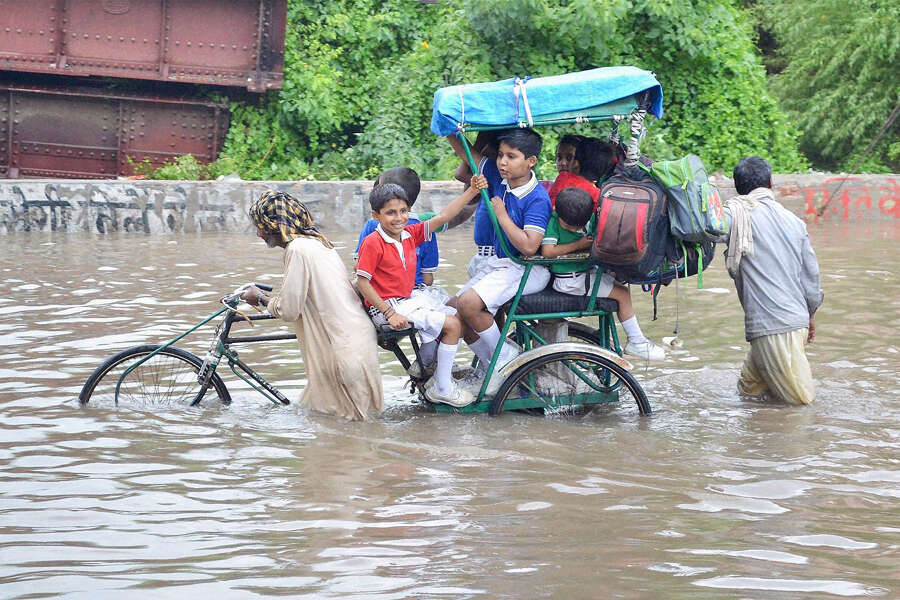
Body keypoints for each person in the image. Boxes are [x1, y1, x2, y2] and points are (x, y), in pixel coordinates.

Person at [240, 191, 383, 421]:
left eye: (261, 226)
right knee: (350, 431)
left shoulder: (297, 250)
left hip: (340, 350)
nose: (259, 233)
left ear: (275, 225)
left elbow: (289, 309)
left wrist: (261, 299)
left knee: (346, 437)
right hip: (356, 342)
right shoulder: (319, 243)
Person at [356, 176, 489, 408]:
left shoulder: (409, 233)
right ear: (376, 216)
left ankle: (426, 364)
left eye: (403, 211)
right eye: (391, 213)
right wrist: (389, 313)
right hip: (388, 308)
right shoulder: (372, 242)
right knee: (452, 326)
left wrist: (471, 192)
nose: (399, 218)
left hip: (408, 300)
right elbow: (363, 282)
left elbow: (443, 217)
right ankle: (442, 387)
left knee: (459, 314)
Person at [447, 128, 553, 390]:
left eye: (512, 156)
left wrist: (502, 215)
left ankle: (504, 357)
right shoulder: (499, 176)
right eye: (501, 155)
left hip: (525, 268)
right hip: (500, 265)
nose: (503, 162)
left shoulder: (537, 198)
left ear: (530, 162)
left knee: (469, 304)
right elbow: (468, 155)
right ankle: (489, 366)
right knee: (455, 309)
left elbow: (529, 246)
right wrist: (449, 127)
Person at [722, 156, 823, 405]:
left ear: (737, 187)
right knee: (749, 395)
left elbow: (704, 229)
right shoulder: (795, 222)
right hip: (793, 323)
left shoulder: (734, 215)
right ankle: (759, 440)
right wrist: (809, 316)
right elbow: (811, 279)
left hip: (774, 327)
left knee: (800, 407)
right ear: (770, 182)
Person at [541, 187, 666, 361]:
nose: (576, 228)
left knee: (620, 282)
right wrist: (578, 244)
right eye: (570, 227)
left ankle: (624, 340)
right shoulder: (554, 222)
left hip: (585, 273)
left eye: (580, 225)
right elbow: (548, 251)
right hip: (570, 281)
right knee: (622, 294)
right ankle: (636, 341)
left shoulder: (588, 219)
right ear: (558, 213)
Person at [354, 167, 439, 288]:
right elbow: (428, 278)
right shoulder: (426, 230)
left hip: (381, 294)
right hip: (417, 292)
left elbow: (358, 266)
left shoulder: (373, 224)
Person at [548, 137, 617, 209]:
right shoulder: (599, 197)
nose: (563, 163)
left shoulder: (562, 179)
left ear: (575, 162)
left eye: (570, 158)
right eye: (559, 157)